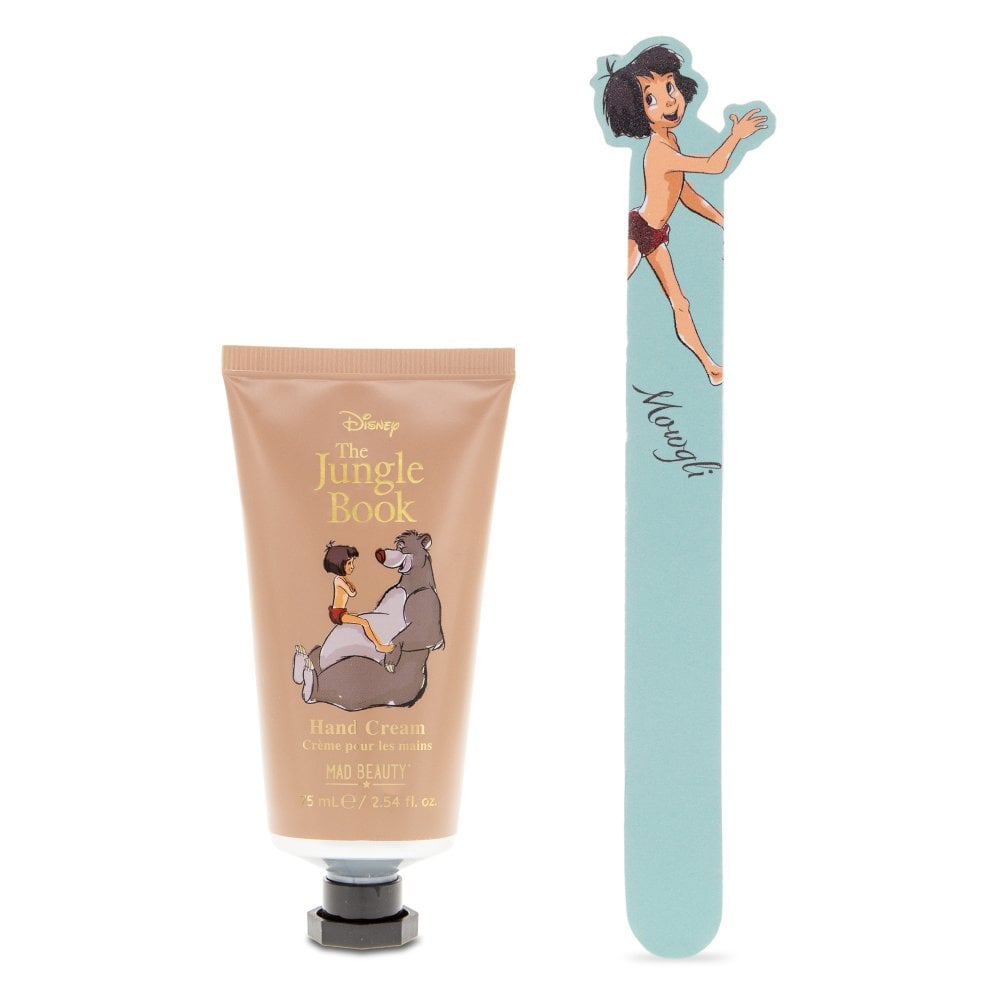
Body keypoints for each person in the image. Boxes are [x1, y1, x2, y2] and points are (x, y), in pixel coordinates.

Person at [602, 44, 767, 385]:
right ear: (638, 111)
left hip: (654, 235)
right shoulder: (660, 150)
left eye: (669, 87)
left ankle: (711, 367)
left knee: (681, 303)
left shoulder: (671, 141)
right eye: (651, 98)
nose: (668, 102)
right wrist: (735, 136)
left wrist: (722, 220)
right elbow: (714, 165)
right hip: (639, 231)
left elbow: (685, 194)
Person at [321, 541, 395, 656]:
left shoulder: (343, 578)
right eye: (349, 563)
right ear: (340, 564)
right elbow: (352, 593)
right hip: (337, 614)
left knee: (357, 616)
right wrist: (351, 586)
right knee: (364, 622)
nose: (352, 566)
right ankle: (379, 646)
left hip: (341, 611)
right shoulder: (338, 580)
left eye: (352, 562)